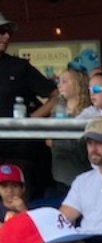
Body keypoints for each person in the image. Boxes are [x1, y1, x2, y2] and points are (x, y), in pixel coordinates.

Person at [0, 10, 58, 199]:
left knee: (20, 206)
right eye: (1, 31)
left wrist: (32, 119)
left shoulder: (19, 66)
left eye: (9, 32)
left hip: (19, 150)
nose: (7, 36)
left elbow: (57, 95)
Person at [40, 68, 92, 194]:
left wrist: (58, 140)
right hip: (60, 175)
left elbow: (81, 144)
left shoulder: (88, 112)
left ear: (78, 84)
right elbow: (49, 140)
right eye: (58, 81)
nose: (59, 85)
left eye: (64, 81)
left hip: (83, 173)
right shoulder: (57, 109)